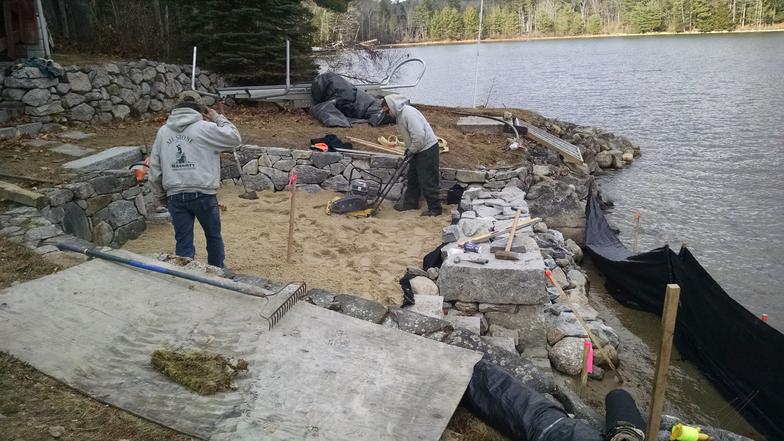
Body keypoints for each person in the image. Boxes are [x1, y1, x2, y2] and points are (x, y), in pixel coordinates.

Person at [148, 91, 241, 268]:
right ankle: (216, 272)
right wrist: (217, 117)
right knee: (213, 236)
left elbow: (155, 168)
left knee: (183, 242)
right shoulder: (205, 128)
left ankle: (185, 275)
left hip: (175, 194)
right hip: (203, 193)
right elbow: (234, 139)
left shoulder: (163, 132)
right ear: (200, 108)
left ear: (177, 107)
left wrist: (161, 196)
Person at [381, 94, 442, 216]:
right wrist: (409, 149)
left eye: (387, 111)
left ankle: (435, 209)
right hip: (418, 149)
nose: (387, 114)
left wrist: (412, 150)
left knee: (427, 180)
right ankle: (411, 203)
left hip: (426, 149)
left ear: (392, 106)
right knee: (413, 178)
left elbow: (419, 136)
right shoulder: (400, 115)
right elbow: (411, 137)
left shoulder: (408, 114)